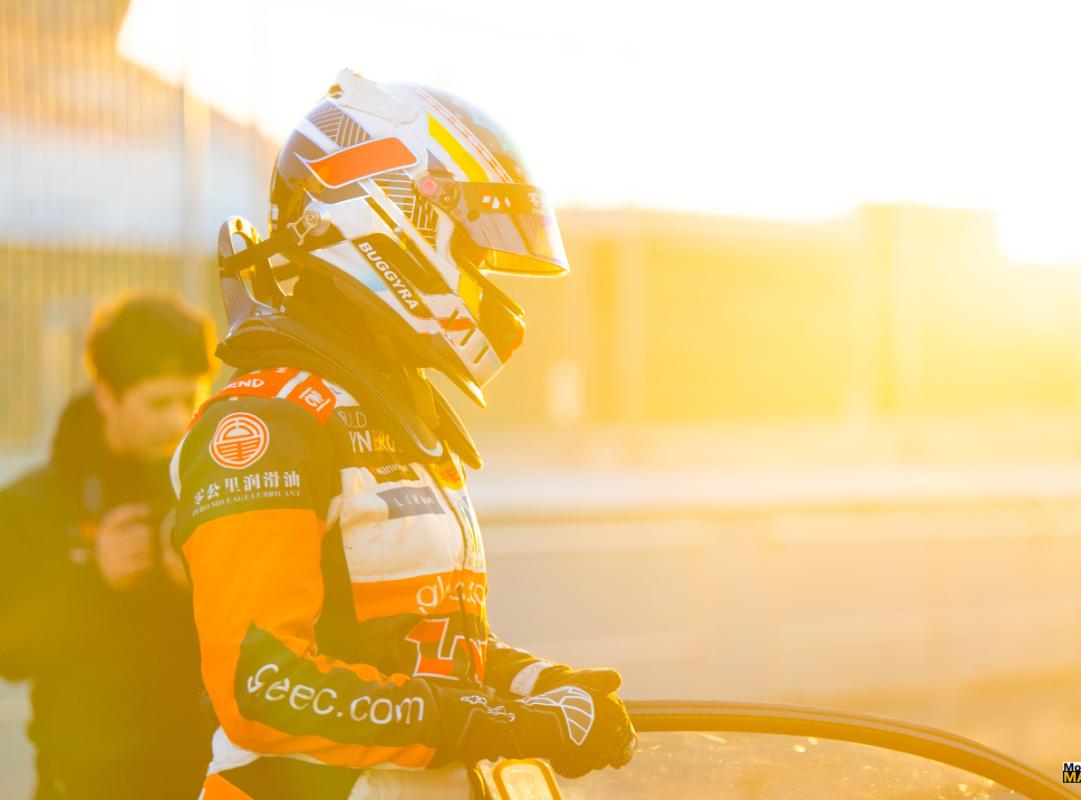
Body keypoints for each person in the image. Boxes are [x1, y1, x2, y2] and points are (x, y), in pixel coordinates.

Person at [172, 70, 636, 799]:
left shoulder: (392, 410)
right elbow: (260, 686)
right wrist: (487, 723)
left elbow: (423, 648)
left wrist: (538, 686)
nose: (482, 280)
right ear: (389, 217)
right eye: (473, 252)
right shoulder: (265, 421)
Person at [0, 295, 217, 799]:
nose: (177, 419)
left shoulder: (213, 491)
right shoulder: (33, 503)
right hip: (83, 779)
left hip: (203, 773)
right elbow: (9, 654)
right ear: (106, 396)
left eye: (190, 398)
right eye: (158, 403)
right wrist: (94, 578)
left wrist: (203, 581)